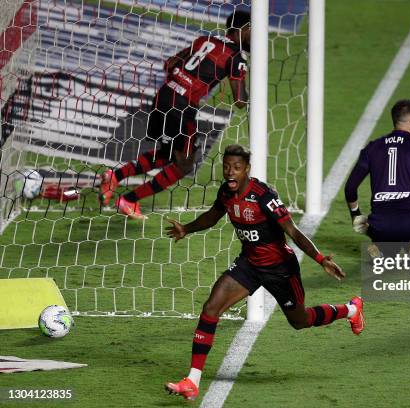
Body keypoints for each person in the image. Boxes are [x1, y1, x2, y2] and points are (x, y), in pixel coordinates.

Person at [164, 144, 365, 401]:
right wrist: (187, 229)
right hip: (249, 264)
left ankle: (350, 310)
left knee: (299, 320)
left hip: (280, 268)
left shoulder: (263, 195)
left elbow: (292, 230)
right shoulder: (226, 192)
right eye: (226, 167)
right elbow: (213, 217)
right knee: (211, 308)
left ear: (247, 169)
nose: (230, 172)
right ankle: (192, 380)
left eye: (236, 168)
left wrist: (319, 258)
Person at [98, 10, 251, 219]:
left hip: (165, 95)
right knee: (185, 164)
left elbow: (169, 63)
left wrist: (185, 80)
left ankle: (113, 176)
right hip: (181, 107)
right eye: (253, 32)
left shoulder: (205, 39)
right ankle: (130, 200)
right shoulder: (235, 58)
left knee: (169, 154)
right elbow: (240, 101)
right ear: (244, 29)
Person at [344, 99, 410, 253]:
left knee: (382, 234)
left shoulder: (372, 148)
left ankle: (382, 250)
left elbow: (350, 188)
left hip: (380, 225)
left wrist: (355, 215)